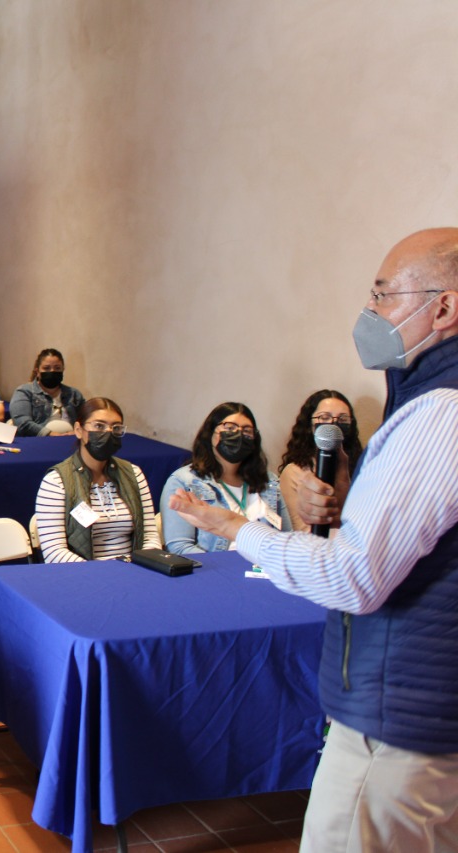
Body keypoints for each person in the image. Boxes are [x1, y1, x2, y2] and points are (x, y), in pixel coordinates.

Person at [166, 228, 458, 851]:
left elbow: (355, 577)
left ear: (444, 308)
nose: (369, 313)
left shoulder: (440, 413)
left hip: (400, 719)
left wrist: (236, 529)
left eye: (382, 295)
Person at [33, 398, 161, 563]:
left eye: (116, 428)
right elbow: (54, 552)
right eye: (99, 426)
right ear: (79, 430)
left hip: (133, 569)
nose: (108, 433)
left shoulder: (134, 474)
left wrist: (142, 566)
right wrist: (100, 573)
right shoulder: (56, 481)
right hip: (83, 573)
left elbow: (149, 535)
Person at [159, 402, 290, 554]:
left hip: (264, 566)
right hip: (214, 566)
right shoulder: (183, 481)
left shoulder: (269, 481)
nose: (238, 435)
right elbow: (180, 547)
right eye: (230, 428)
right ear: (210, 433)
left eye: (247, 431)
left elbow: (287, 538)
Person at [277, 390, 364, 533]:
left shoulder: (363, 468)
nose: (333, 424)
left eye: (343, 419)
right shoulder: (294, 472)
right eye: (324, 417)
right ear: (309, 424)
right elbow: (303, 531)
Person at [10, 348, 85, 436]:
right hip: (40, 440)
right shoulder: (24, 392)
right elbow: (22, 423)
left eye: (57, 368)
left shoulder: (74, 394)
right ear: (37, 372)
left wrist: (76, 432)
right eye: (46, 368)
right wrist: (52, 434)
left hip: (71, 438)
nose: (52, 371)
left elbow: (86, 419)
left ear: (63, 370)